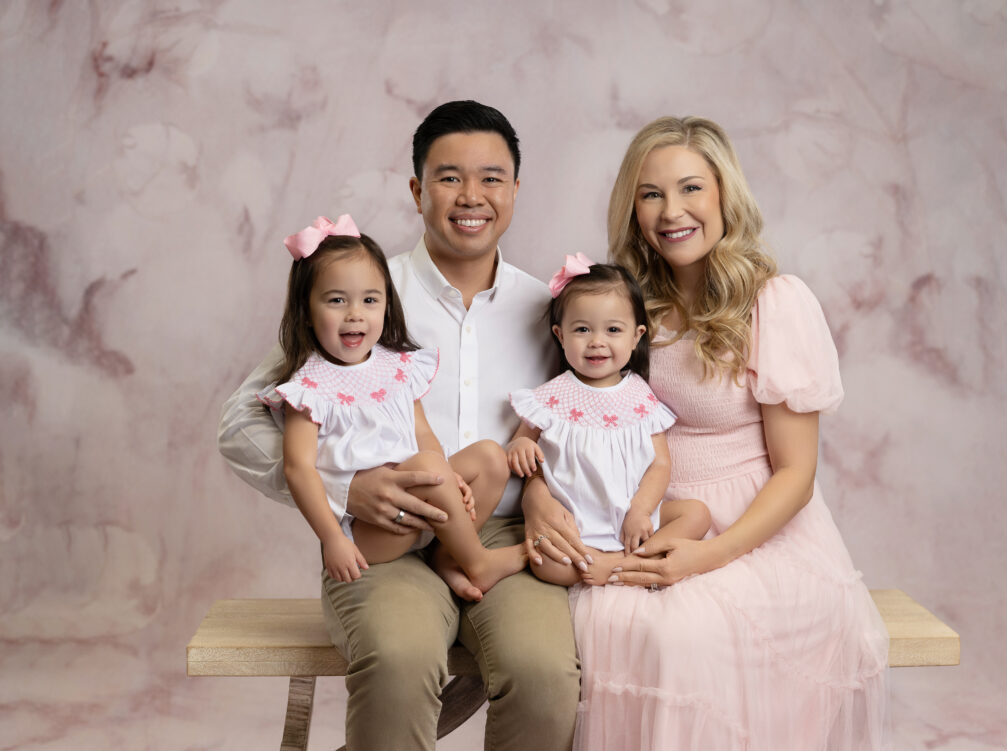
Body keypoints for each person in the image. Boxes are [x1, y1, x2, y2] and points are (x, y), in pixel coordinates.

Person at [218, 101, 579, 751]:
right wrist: (344, 489)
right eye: (448, 177)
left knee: (545, 673)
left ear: (517, 190)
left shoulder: (548, 308)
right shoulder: (363, 292)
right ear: (417, 189)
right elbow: (241, 420)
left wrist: (551, 498)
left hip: (498, 527)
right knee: (400, 659)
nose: (471, 196)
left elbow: (571, 422)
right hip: (388, 536)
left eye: (492, 177)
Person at [524, 116, 890, 750]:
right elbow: (568, 418)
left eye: (692, 188)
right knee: (610, 621)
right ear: (632, 207)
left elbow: (796, 475)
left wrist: (708, 557)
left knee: (684, 634)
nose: (673, 211)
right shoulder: (624, 307)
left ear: (725, 195)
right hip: (633, 510)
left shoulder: (772, 301)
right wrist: (537, 494)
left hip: (752, 527)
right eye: (651, 193)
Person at [259, 217, 524, 592]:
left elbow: (423, 434)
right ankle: (478, 562)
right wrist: (334, 539)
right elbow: (298, 470)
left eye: (370, 300)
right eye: (337, 300)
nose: (355, 314)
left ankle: (450, 557)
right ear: (306, 310)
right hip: (376, 528)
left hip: (425, 502)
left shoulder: (396, 367)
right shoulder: (309, 388)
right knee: (429, 466)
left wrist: (450, 479)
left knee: (491, 458)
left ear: (386, 303)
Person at [506, 255, 710, 586]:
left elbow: (660, 464)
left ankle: (618, 563)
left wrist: (641, 511)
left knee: (697, 514)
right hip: (580, 523)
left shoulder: (641, 396)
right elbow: (523, 439)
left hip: (635, 518)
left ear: (636, 336)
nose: (597, 341)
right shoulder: (550, 397)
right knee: (548, 564)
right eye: (582, 329)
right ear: (560, 335)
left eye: (613, 330)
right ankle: (626, 567)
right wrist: (518, 447)